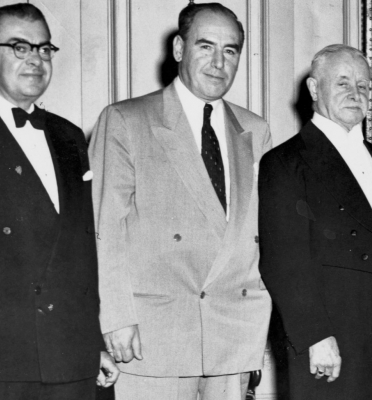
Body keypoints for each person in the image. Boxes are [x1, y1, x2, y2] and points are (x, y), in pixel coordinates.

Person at [89, 3, 272, 399]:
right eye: (205, 46)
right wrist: (115, 318)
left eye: (230, 50)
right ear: (178, 49)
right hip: (154, 336)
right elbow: (106, 228)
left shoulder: (254, 130)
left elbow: (260, 237)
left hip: (232, 336)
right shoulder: (127, 120)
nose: (218, 62)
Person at [0, 3, 119, 398]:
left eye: (44, 48)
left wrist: (94, 341)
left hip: (70, 354)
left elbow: (82, 251)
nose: (36, 59)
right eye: (20, 47)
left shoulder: (69, 136)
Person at [258, 44, 372, 399]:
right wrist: (315, 335)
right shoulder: (286, 162)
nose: (355, 93)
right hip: (335, 332)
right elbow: (283, 261)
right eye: (343, 83)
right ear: (314, 89)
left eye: (363, 85)